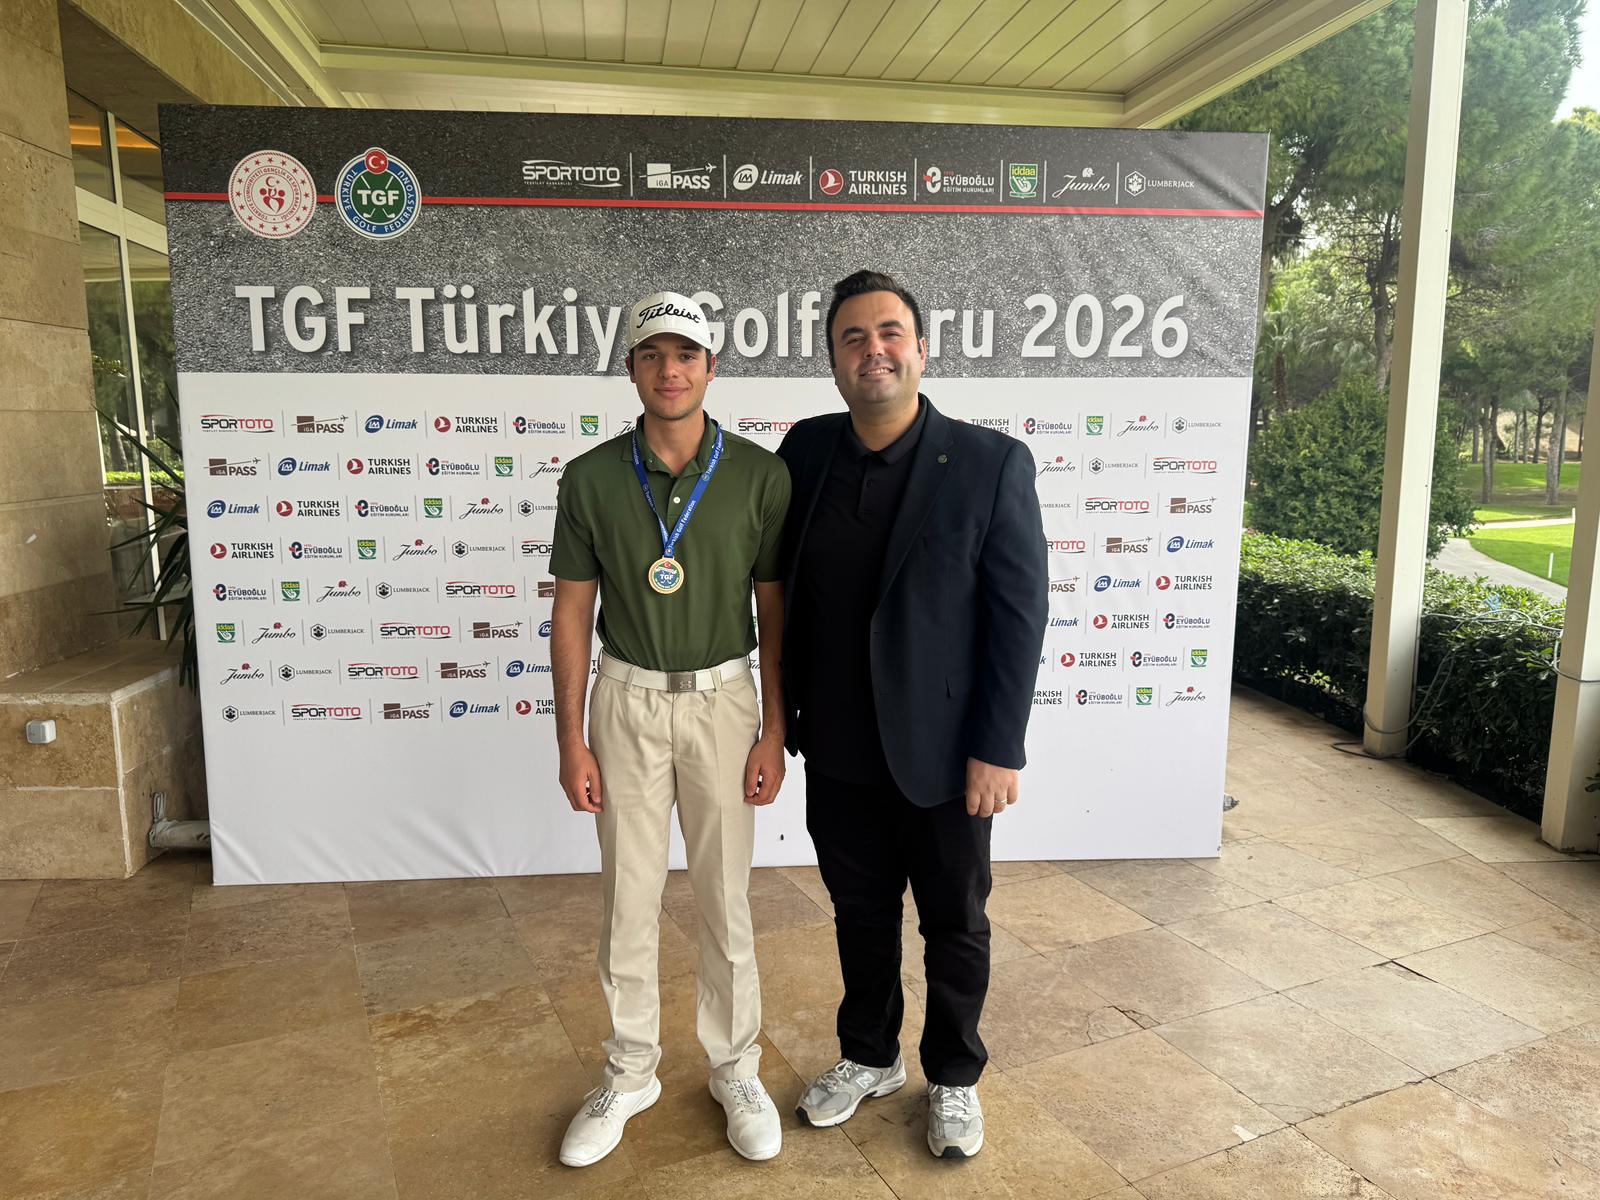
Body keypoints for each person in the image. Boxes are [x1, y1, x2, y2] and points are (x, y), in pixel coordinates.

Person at [777, 270, 1047, 1159]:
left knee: (954, 923)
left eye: (890, 333)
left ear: (922, 349)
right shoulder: (805, 450)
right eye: (853, 338)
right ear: (833, 359)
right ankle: (870, 1054)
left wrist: (999, 747)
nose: (874, 351)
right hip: (838, 746)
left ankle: (956, 1074)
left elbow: (1019, 616)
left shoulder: (990, 462)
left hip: (947, 753)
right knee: (859, 913)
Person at [550, 290, 791, 1167]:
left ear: (711, 367)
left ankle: (735, 1068)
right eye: (652, 353)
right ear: (631, 369)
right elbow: (572, 613)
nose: (670, 369)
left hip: (725, 702)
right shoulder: (591, 476)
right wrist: (570, 738)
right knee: (628, 896)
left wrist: (774, 728)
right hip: (626, 702)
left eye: (686, 353)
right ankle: (631, 1071)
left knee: (725, 896)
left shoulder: (760, 475)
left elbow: (775, 612)